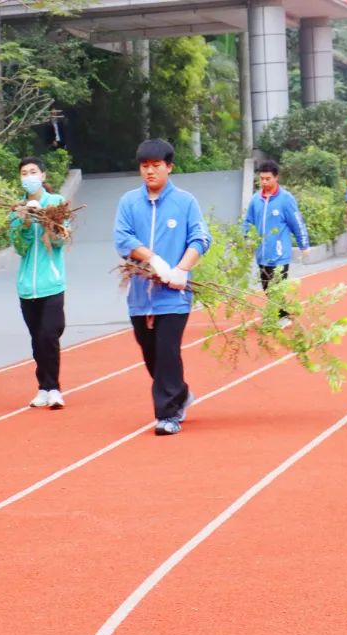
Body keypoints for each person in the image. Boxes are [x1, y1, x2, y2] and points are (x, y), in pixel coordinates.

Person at [114, 139, 210, 436]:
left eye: (156, 166)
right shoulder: (129, 202)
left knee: (168, 352)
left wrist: (181, 268)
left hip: (174, 295)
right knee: (151, 354)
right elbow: (122, 239)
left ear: (169, 167)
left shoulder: (185, 202)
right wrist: (153, 259)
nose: (150, 172)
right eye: (145, 166)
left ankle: (168, 415)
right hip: (140, 294)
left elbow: (200, 238)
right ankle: (179, 393)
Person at [9, 157, 68, 409]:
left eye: (33, 171)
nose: (29, 176)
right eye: (24, 173)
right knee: (37, 339)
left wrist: (46, 220)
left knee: (49, 334)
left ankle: (54, 387)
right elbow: (20, 248)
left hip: (51, 284)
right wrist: (22, 222)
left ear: (43, 176)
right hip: (26, 287)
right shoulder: (17, 208)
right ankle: (42, 387)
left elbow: (59, 241)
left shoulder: (55, 203)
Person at [243, 160, 310, 326]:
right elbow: (248, 222)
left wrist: (304, 245)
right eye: (262, 179)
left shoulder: (285, 199)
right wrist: (245, 238)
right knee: (267, 288)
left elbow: (297, 222)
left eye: (268, 179)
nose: (264, 182)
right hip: (262, 254)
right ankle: (283, 314)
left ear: (276, 177)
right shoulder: (255, 200)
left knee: (277, 288)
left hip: (279, 254)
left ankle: (282, 317)